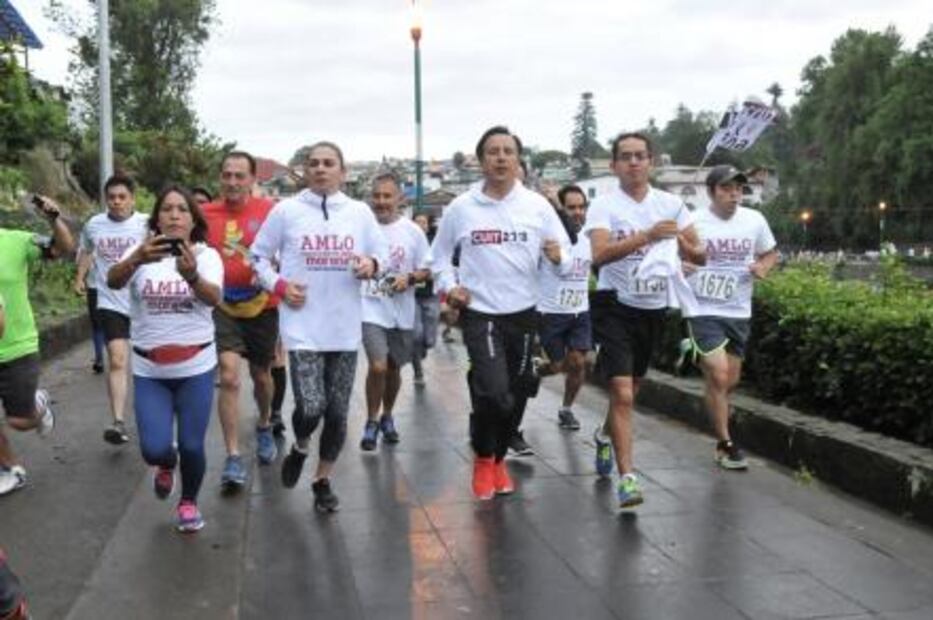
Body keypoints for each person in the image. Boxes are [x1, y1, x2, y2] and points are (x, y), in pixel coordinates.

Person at [430, 126, 571, 500]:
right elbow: (439, 257)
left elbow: (566, 253)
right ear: (481, 161)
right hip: (482, 313)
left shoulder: (537, 206)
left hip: (525, 313)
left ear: (518, 159)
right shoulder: (461, 208)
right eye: (493, 151)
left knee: (521, 390)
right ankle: (483, 457)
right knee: (496, 393)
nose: (501, 157)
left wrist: (559, 257)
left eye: (508, 151)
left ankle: (499, 457)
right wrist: (449, 287)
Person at [251, 141, 386, 513]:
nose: (321, 169)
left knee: (338, 413)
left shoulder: (359, 213)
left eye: (329, 163)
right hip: (302, 325)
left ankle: (321, 479)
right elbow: (258, 258)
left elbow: (382, 256)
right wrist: (279, 286)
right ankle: (300, 445)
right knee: (311, 406)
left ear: (343, 172)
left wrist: (371, 265)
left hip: (344, 329)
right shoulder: (286, 211)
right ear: (305, 171)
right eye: (314, 163)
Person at [584, 132, 705, 508]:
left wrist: (681, 243)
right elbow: (599, 255)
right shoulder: (603, 206)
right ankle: (629, 480)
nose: (634, 162)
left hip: (653, 308)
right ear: (615, 165)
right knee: (621, 392)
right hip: (614, 305)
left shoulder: (671, 203)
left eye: (640, 156)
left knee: (631, 391)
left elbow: (700, 255)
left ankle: (605, 436)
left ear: (652, 161)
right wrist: (646, 236)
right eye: (626, 157)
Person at [108, 185, 223, 532]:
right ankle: (165, 461)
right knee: (153, 449)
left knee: (192, 445)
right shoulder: (139, 251)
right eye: (167, 209)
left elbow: (214, 298)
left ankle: (188, 502)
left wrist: (190, 275)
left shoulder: (206, 256)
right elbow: (113, 281)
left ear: (193, 219)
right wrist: (136, 259)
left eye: (182, 209)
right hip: (149, 369)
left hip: (196, 367)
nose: (174, 215)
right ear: (156, 217)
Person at [684, 166, 778, 469]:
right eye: (726, 188)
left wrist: (763, 267)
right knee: (719, 373)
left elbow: (771, 253)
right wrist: (681, 267)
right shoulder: (694, 221)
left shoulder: (755, 220)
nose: (734, 193)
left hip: (738, 310)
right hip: (702, 309)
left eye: (738, 188)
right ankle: (726, 444)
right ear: (712, 191)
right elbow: (674, 254)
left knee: (727, 382)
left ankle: (718, 424)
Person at [202, 151, 279, 490]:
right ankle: (233, 457)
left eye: (239, 176)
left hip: (262, 305)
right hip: (221, 306)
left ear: (252, 180)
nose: (232, 182)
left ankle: (264, 423)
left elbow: (288, 250)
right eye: (227, 175)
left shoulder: (271, 212)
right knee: (229, 376)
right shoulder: (203, 214)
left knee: (261, 376)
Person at [0, 193, 74, 496]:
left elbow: (63, 249)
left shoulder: (16, 241)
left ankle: (39, 406)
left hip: (17, 346)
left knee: (19, 419)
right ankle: (11, 469)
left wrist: (54, 219)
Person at [74, 175, 149, 445]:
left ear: (132, 199)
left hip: (144, 303)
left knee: (145, 364)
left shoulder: (146, 223)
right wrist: (79, 277)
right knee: (117, 360)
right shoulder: (94, 224)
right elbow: (86, 251)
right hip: (110, 301)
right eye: (112, 197)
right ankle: (118, 422)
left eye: (122, 197)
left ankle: (154, 415)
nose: (116, 202)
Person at [359, 174, 430, 450]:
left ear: (400, 199)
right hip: (370, 307)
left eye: (387, 196)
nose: (381, 202)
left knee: (393, 368)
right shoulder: (362, 230)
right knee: (377, 366)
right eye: (376, 196)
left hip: (402, 311)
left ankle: (387, 415)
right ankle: (370, 420)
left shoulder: (413, 231)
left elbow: (428, 269)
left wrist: (409, 278)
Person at [536, 184, 592, 431]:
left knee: (579, 362)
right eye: (571, 207)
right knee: (559, 366)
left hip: (580, 311)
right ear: (559, 210)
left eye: (581, 207)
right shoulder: (547, 236)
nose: (577, 212)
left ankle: (567, 409)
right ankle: (538, 371)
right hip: (551, 313)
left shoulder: (591, 235)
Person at [411, 213, 440, 386]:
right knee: (415, 335)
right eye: (417, 222)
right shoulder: (406, 241)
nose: (420, 225)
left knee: (429, 339)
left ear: (428, 225)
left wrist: (431, 274)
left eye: (423, 222)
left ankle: (423, 348)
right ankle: (418, 372)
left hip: (431, 295)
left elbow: (443, 264)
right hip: (411, 296)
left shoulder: (435, 243)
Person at [74, 243, 105, 374]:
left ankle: (103, 358)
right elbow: (82, 258)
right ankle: (99, 358)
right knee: (98, 324)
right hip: (95, 288)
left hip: (117, 287)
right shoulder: (89, 237)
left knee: (103, 325)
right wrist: (80, 279)